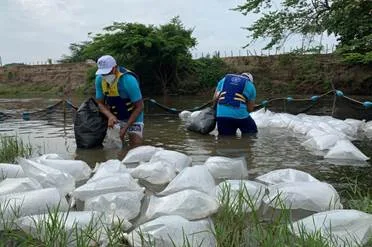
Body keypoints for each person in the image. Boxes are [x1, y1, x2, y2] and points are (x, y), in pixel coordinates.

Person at [95, 55, 144, 147]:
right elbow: (100, 103)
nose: (105, 76)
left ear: (115, 68)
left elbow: (140, 106)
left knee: (136, 145)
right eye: (103, 73)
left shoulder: (128, 80)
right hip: (115, 117)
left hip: (134, 115)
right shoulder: (99, 79)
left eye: (107, 72)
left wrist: (124, 129)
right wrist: (110, 116)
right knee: (113, 147)